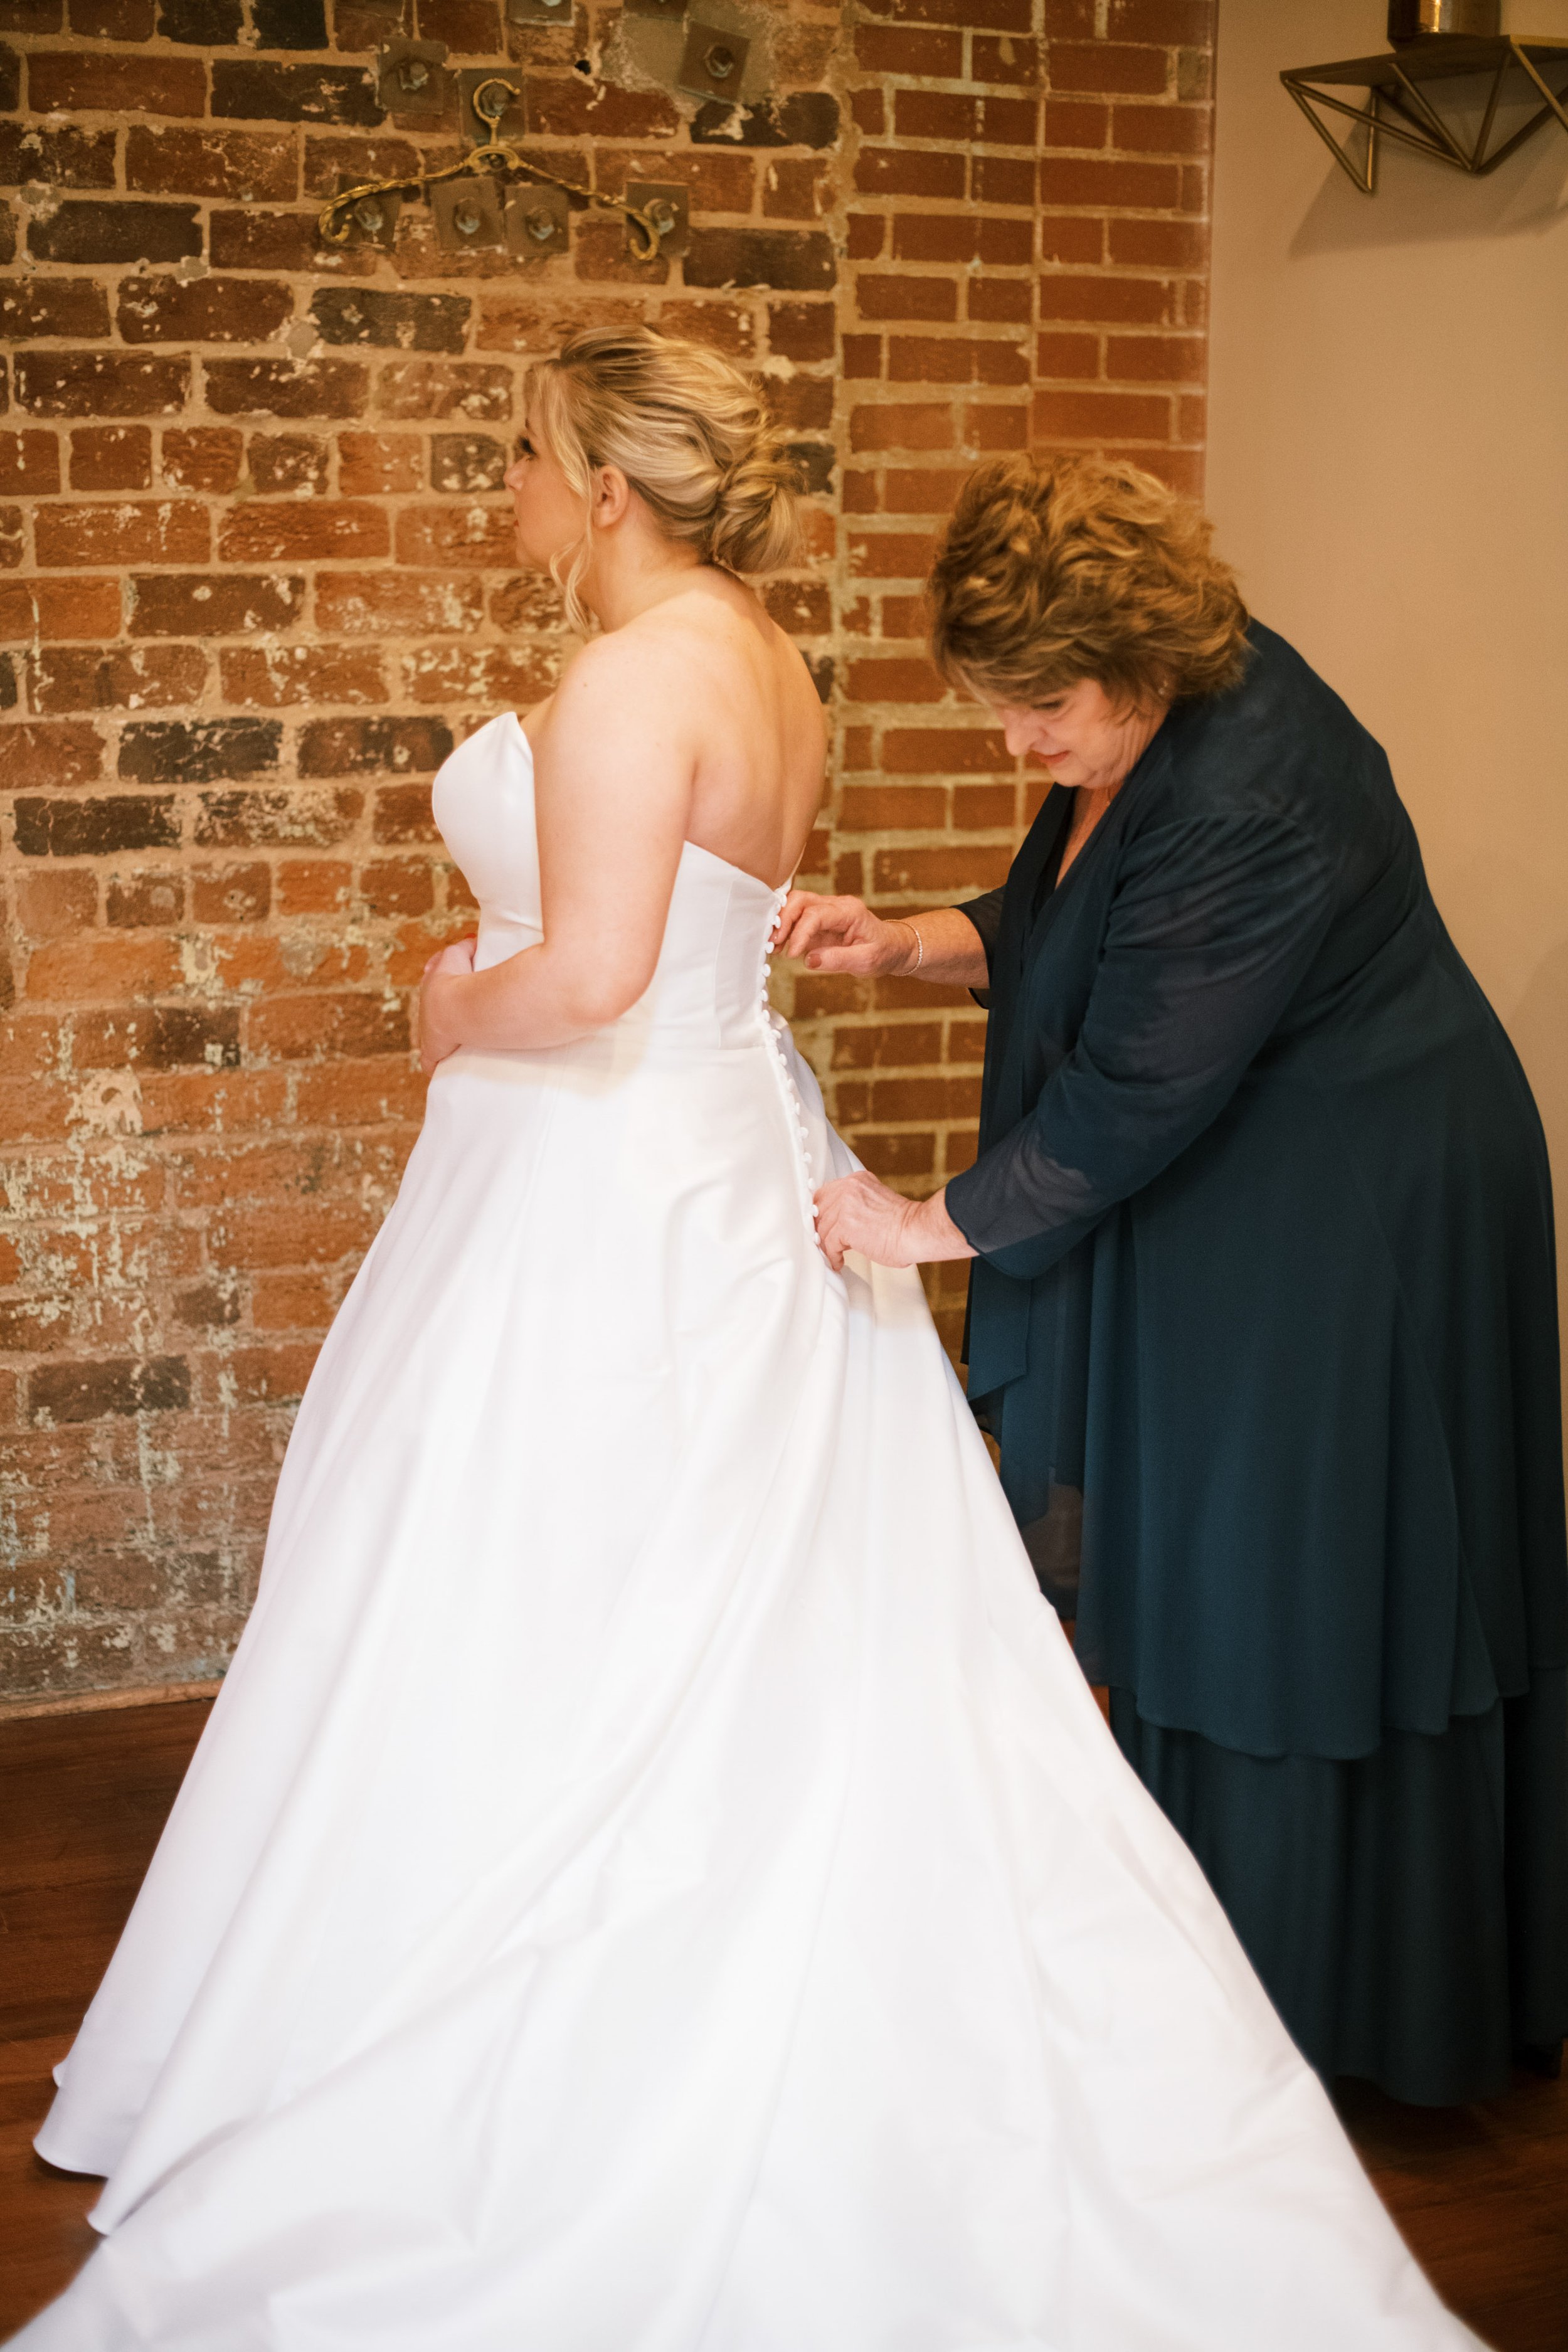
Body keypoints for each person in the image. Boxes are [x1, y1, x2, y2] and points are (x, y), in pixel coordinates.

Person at [14, 335, 1481, 2351]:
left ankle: (527, 1989)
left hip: (623, 1174)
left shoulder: (637, 679)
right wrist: (898, 948)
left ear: (604, 487)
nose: (507, 493)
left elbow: (608, 975)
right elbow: (873, 931)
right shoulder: (766, 658)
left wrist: (444, 1006)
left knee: (533, 1580)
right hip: (725, 1146)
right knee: (766, 1598)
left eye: (522, 459)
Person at [780, 449, 1568, 2112]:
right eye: (996, 708)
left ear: (1139, 659)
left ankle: (1331, 2012)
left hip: (1364, 1209)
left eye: (1037, 710)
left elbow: (1130, 1087)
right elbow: (1076, 931)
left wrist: (915, 1222)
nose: (1014, 745)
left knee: (1292, 1582)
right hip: (1256, 1165)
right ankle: (1194, 1956)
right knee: (1221, 1565)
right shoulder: (1140, 722)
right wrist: (903, 941)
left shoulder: (1247, 786)